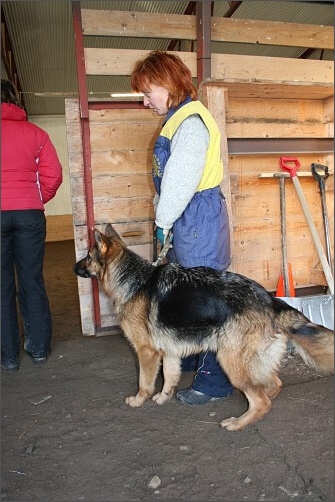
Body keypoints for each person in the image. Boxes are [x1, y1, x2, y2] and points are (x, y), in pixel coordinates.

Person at [130, 51, 234, 405]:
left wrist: (162, 222)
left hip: (195, 218)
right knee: (187, 290)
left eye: (148, 92)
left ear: (168, 84)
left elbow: (179, 182)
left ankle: (214, 381)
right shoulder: (178, 119)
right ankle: (190, 354)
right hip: (189, 217)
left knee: (206, 299)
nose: (145, 102)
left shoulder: (190, 123)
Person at [1, 79, 63, 372]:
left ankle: (8, 356)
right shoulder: (36, 133)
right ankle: (38, 348)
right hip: (29, 214)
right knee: (31, 281)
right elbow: (54, 175)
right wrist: (37, 199)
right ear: (14, 99)